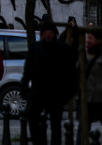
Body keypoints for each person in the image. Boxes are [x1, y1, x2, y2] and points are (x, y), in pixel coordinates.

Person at [22, 17, 76, 145]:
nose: (48, 34)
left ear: (54, 33)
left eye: (50, 32)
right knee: (34, 120)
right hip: (38, 92)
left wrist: (70, 91)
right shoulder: (35, 48)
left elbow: (71, 71)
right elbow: (28, 69)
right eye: (45, 32)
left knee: (55, 125)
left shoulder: (63, 49)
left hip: (56, 93)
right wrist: (24, 86)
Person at [78, 29, 102, 143]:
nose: (88, 40)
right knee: (83, 129)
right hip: (86, 98)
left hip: (100, 98)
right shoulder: (84, 54)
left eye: (90, 38)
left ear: (98, 40)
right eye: (87, 38)